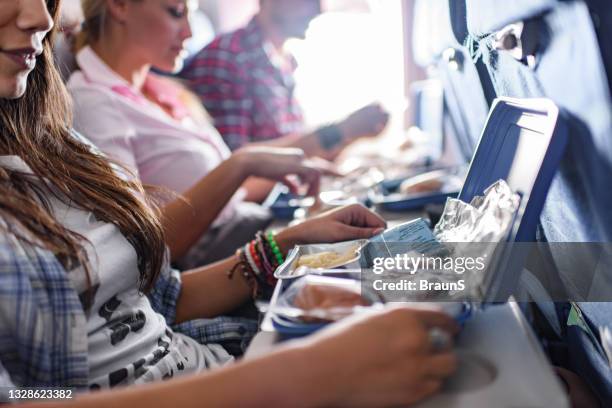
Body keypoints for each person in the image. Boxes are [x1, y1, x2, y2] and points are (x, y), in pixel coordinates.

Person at [0, 0, 458, 405]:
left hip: (224, 356)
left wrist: (286, 245)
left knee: (454, 301)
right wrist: (298, 377)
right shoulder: (95, 103)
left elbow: (158, 296)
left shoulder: (54, 145)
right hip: (248, 382)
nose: (40, 15)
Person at [67, 0, 340, 268]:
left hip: (246, 227)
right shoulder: (92, 102)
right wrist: (243, 163)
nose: (190, 32)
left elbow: (232, 196)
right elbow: (139, 246)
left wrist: (287, 168)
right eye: (175, 13)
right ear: (120, 5)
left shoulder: (165, 91)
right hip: (216, 264)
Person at [179, 0, 390, 158]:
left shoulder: (285, 61)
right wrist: (341, 130)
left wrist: (352, 134)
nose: (318, 10)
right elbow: (231, 165)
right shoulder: (227, 58)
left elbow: (301, 155)